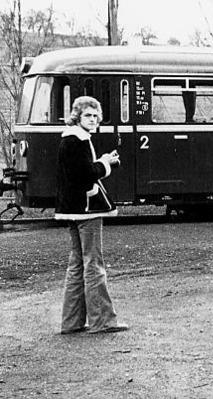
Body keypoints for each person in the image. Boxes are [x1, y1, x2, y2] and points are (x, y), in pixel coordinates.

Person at [55, 96, 128, 335]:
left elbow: (76, 172)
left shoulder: (69, 138)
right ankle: (102, 321)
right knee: (93, 264)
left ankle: (71, 322)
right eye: (88, 115)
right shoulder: (79, 140)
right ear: (77, 116)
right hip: (86, 209)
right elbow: (86, 174)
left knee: (77, 264)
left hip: (71, 209)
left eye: (96, 116)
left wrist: (101, 162)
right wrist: (107, 163)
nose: (93, 119)